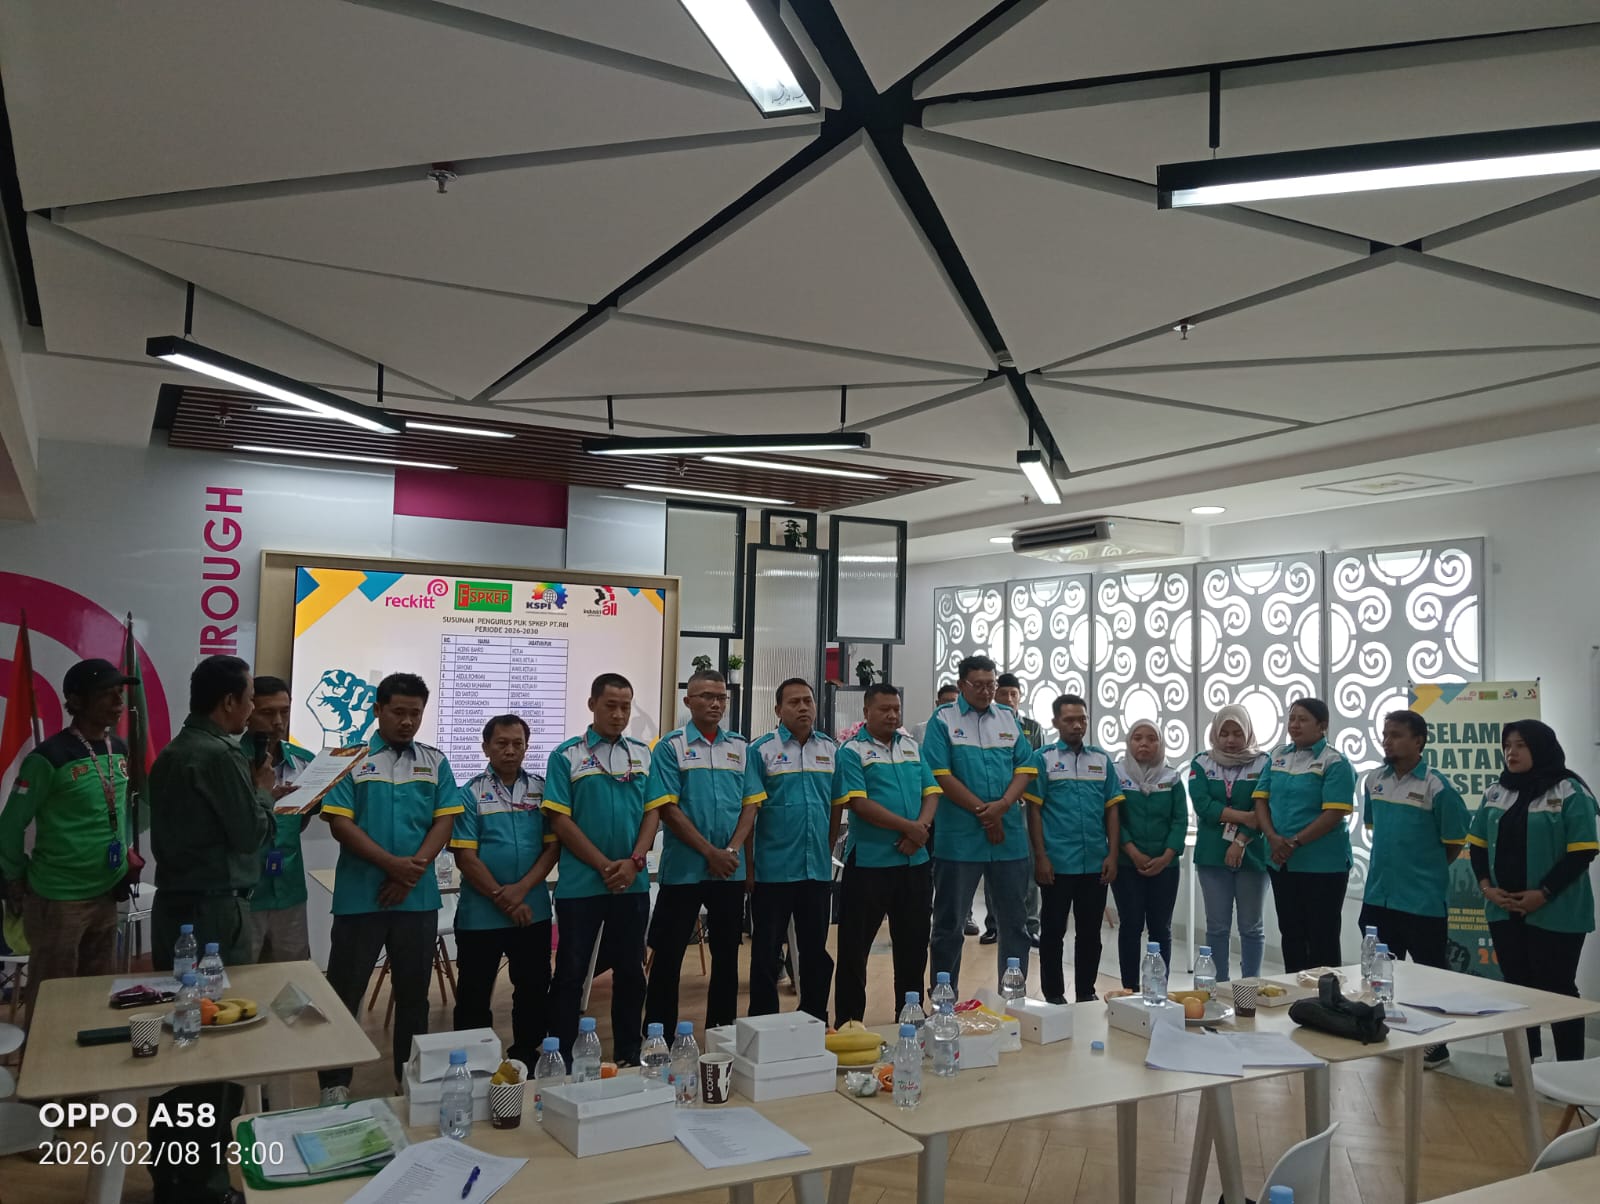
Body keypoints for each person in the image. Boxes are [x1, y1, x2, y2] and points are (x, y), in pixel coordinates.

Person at [146, 654, 276, 1204]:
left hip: (176, 910)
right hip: (216, 914)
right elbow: (248, 835)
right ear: (228, 702)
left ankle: (171, 1177)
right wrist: (264, 791)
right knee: (217, 1045)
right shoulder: (221, 754)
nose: (254, 709)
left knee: (180, 1043)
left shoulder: (173, 751)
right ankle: (207, 1184)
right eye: (250, 700)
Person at [318, 673, 461, 1101]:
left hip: (417, 899)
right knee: (345, 995)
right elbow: (340, 824)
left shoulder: (435, 761)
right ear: (378, 710)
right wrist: (394, 867)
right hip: (360, 898)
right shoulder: (348, 758)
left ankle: (408, 1081)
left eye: (415, 713)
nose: (407, 721)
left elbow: (445, 821)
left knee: (414, 997)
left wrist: (411, 872)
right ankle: (334, 1086)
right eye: (398, 712)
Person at [0, 658, 135, 1015]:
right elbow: (9, 826)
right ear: (75, 701)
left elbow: (117, 813)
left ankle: (89, 1051)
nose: (118, 702)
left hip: (106, 892)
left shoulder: (119, 748)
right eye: (107, 695)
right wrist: (14, 876)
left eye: (119, 693)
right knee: (52, 999)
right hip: (59, 899)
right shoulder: (49, 758)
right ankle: (42, 1053)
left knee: (97, 994)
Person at [1469, 720, 1597, 1074]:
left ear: (1541, 748)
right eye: (1507, 745)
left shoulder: (1570, 791)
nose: (1511, 752)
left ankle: (1569, 1071)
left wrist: (1543, 894)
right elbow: (1477, 845)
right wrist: (1486, 888)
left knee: (1557, 990)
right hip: (1504, 909)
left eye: (1521, 745)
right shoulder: (1496, 791)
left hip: (1556, 910)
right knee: (1518, 989)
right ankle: (1524, 1067)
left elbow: (1582, 852)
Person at [545, 673, 659, 1065]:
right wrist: (604, 865)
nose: (619, 714)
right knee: (571, 972)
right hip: (582, 885)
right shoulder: (566, 755)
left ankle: (628, 1050)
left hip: (632, 883)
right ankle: (560, 1054)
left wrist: (635, 861)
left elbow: (653, 812)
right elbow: (560, 820)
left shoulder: (643, 754)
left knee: (631, 971)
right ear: (592, 704)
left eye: (625, 707)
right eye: (611, 705)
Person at [644, 669, 758, 1033]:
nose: (715, 703)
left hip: (729, 870)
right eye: (707, 696)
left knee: (726, 957)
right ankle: (659, 1037)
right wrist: (711, 853)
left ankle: (721, 1033)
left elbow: (750, 805)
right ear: (688, 701)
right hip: (684, 871)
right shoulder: (670, 747)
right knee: (668, 956)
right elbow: (668, 808)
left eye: (721, 697)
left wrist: (732, 850)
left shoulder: (740, 747)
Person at [1361, 708, 1469, 1069]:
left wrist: (1424, 872)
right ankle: (1390, 1031)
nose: (1387, 741)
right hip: (1379, 896)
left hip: (1421, 900)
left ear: (1418, 741)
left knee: (1429, 975)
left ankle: (1437, 1045)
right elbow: (1376, 829)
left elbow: (1453, 843)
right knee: (1380, 973)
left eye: (1396, 735)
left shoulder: (1437, 787)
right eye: (1385, 734)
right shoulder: (1374, 780)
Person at [923, 655, 1037, 993]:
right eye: (979, 685)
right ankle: (944, 1001)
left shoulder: (1007, 717)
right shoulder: (943, 719)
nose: (987, 691)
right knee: (949, 925)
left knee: (1015, 924)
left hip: (1008, 839)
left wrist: (1001, 807)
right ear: (962, 685)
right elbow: (940, 774)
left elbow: (1025, 768)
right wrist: (985, 814)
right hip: (960, 840)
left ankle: (1013, 998)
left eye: (992, 684)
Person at [450, 714, 558, 1065]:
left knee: (533, 989)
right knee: (474, 993)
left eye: (517, 744)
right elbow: (466, 858)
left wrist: (521, 890)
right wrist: (505, 899)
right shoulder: (469, 793)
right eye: (502, 743)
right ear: (486, 747)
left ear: (526, 747)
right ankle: (475, 1062)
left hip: (532, 910)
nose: (510, 750)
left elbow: (552, 849)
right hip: (480, 915)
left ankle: (526, 1056)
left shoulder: (542, 790)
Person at [833, 683, 939, 1026]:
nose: (892, 715)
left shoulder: (912, 747)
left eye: (896, 708)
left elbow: (931, 792)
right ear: (867, 712)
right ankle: (850, 1022)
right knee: (854, 949)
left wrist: (920, 830)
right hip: (870, 863)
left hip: (914, 862)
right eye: (884, 709)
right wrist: (910, 828)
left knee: (913, 946)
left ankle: (909, 1014)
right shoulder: (852, 751)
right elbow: (859, 803)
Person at [745, 678, 841, 1020]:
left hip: (815, 870)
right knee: (766, 952)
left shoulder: (830, 749)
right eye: (794, 702)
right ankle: (763, 1021)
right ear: (778, 710)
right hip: (773, 871)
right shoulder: (760, 751)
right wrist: (749, 868)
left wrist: (827, 849)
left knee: (815, 951)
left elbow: (835, 807)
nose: (803, 707)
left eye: (808, 701)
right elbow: (749, 813)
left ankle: (814, 1017)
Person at [1024, 693, 1121, 1004]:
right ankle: (1054, 995)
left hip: (1095, 861)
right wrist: (1040, 857)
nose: (1077, 725)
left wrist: (1113, 854)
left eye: (1082, 719)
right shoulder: (1043, 759)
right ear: (1055, 722)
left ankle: (1086, 992)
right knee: (1053, 932)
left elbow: (1112, 810)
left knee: (1090, 933)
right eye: (1069, 720)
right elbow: (1034, 811)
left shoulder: (1101, 760)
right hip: (1057, 862)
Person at [1254, 697, 1355, 972]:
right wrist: (1272, 837)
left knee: (1322, 937)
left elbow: (1334, 812)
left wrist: (1295, 842)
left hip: (1322, 865)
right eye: (1292, 719)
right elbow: (1261, 799)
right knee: (1291, 933)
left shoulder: (1334, 761)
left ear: (1322, 725)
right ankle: (1295, 994)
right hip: (1281, 861)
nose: (1295, 725)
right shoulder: (1277, 755)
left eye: (1303, 719)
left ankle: (1325, 996)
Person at [1188, 704, 1271, 983]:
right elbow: (1203, 805)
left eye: (1238, 733)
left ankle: (1250, 986)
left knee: (1251, 927)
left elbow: (1264, 808)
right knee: (1217, 927)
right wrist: (1245, 816)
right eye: (1224, 733)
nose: (1231, 740)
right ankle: (1218, 986)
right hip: (1212, 855)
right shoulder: (1202, 762)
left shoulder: (1263, 763)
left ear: (1248, 733)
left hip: (1253, 854)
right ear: (1215, 733)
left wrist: (1241, 840)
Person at [241, 675, 316, 963]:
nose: (278, 722)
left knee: (292, 975)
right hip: (245, 892)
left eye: (284, 711)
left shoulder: (305, 761)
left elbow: (303, 820)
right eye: (267, 712)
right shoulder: (231, 759)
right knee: (242, 977)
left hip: (289, 888)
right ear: (248, 711)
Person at [1109, 717, 1186, 989]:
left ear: (1160, 744)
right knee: (1130, 926)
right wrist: (1132, 851)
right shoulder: (1116, 774)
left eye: (1152, 739)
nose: (1144, 743)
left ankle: (1157, 988)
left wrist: (1166, 856)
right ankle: (1129, 990)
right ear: (1129, 742)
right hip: (1127, 865)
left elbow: (1180, 820)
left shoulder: (1171, 777)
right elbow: (1113, 818)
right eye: (1138, 738)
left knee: (1160, 929)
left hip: (1165, 867)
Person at [982, 672, 1043, 947]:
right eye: (1003, 693)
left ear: (1020, 697)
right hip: (994, 806)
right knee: (993, 866)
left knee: (1028, 868)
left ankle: (1031, 925)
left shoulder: (1032, 727)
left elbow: (1035, 766)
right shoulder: (987, 724)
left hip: (1024, 807)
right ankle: (993, 925)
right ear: (995, 696)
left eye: (1013, 694)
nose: (1008, 698)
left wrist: (1021, 795)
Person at [923, 681, 979, 937]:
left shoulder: (974, 728)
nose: (949, 707)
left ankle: (966, 914)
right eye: (945, 702)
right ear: (937, 703)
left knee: (963, 871)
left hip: (966, 811)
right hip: (934, 808)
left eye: (953, 702)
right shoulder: (926, 727)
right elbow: (933, 772)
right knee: (935, 867)